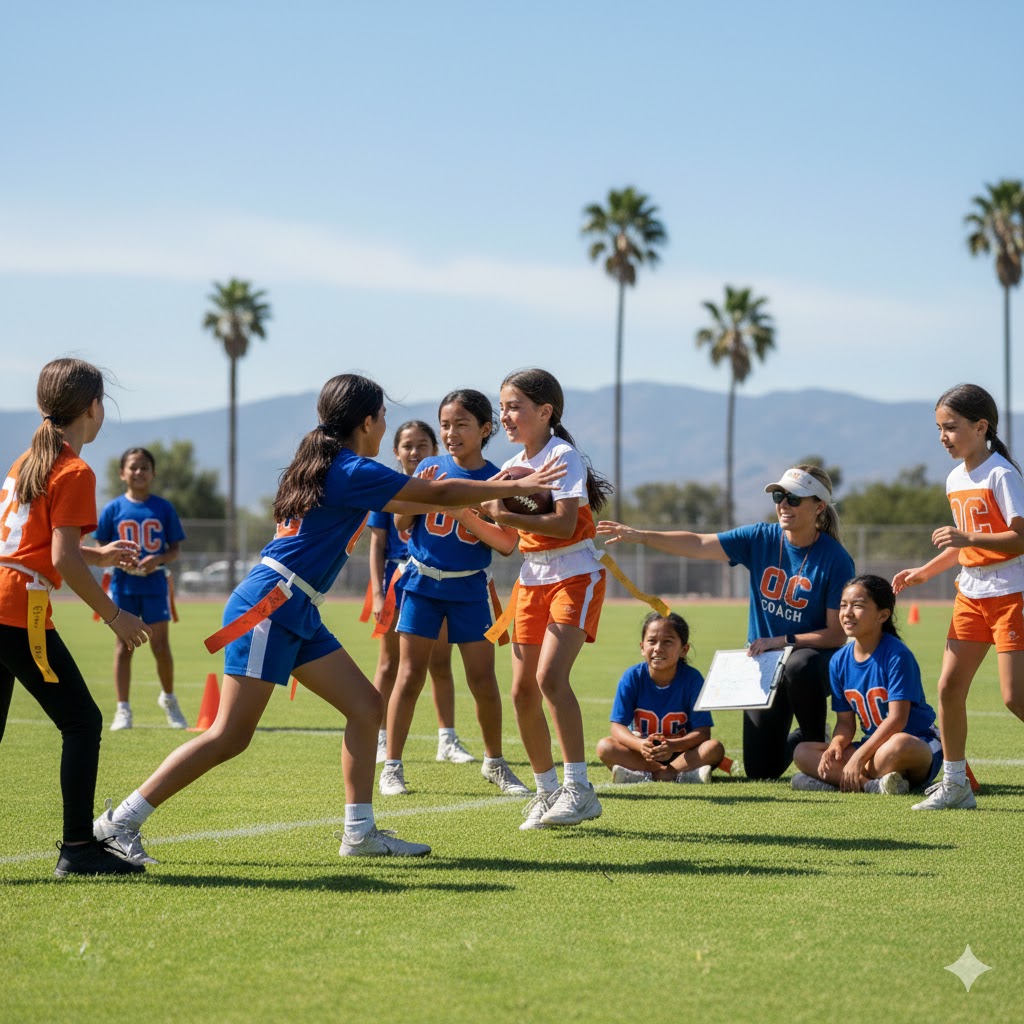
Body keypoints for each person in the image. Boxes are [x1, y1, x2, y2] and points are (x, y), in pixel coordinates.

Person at [93, 374, 564, 864]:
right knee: (229, 734)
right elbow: (437, 496)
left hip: (295, 606)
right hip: (271, 605)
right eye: (382, 416)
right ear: (366, 421)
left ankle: (359, 833)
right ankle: (118, 823)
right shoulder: (351, 468)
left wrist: (490, 490)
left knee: (365, 706)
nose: (386, 425)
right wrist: (511, 484)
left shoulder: (338, 466)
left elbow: (420, 499)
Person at [598, 464, 854, 780]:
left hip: (810, 664)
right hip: (763, 664)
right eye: (779, 496)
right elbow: (699, 543)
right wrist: (643, 537)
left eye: (794, 499)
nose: (784, 505)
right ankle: (807, 739)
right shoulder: (761, 538)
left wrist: (782, 641)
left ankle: (816, 756)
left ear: (819, 507)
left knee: (799, 664)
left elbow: (835, 635)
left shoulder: (836, 559)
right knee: (762, 770)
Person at [0, 358, 152, 877]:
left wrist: (99, 555)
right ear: (93, 408)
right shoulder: (73, 468)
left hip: (2, 599)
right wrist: (116, 617)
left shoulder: (28, 460)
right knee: (82, 722)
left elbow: (37, 543)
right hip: (19, 611)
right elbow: (58, 557)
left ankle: (79, 847)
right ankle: (77, 848)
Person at [480, 368, 612, 830]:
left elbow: (560, 524)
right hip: (532, 580)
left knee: (550, 678)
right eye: (502, 407)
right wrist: (466, 509)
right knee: (520, 691)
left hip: (575, 574)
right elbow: (503, 538)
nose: (505, 416)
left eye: (514, 406)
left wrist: (502, 506)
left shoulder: (562, 456)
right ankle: (547, 791)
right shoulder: (513, 466)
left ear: (545, 411)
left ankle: (579, 789)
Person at [381, 391, 530, 798]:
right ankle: (392, 766)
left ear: (485, 429)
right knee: (409, 675)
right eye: (445, 425)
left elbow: (505, 543)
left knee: (483, 679)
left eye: (461, 424)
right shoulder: (430, 466)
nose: (450, 433)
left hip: (469, 587)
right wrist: (419, 494)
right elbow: (402, 525)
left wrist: (465, 512)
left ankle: (495, 763)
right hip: (423, 584)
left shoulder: (500, 478)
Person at [894, 384, 1024, 810]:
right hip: (971, 594)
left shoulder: (1001, 473)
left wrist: (967, 536)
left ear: (981, 426)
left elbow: (1019, 538)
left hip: (1011, 594)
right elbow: (961, 546)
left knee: (1014, 697)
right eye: (939, 428)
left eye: (951, 427)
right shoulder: (955, 478)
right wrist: (923, 572)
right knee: (949, 687)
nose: (943, 436)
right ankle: (956, 786)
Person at [367, 420, 468, 766]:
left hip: (431, 580)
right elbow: (377, 543)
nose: (414, 452)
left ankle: (448, 739)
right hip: (396, 580)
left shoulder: (441, 485)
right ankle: (380, 738)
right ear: (396, 452)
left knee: (441, 662)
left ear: (434, 450)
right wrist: (378, 595)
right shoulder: (389, 488)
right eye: (407, 446)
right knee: (391, 664)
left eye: (422, 445)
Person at [791, 575, 942, 795]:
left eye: (858, 606)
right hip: (872, 748)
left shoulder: (897, 655)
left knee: (897, 746)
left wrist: (859, 757)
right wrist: (836, 745)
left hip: (916, 744)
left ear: (883, 615)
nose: (847, 613)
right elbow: (845, 723)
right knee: (802, 752)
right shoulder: (839, 660)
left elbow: (897, 720)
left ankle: (837, 781)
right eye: (843, 605)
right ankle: (872, 785)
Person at [94, 446, 188, 731]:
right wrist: (116, 559)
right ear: (122, 473)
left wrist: (157, 558)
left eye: (144, 467)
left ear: (153, 473)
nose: (138, 472)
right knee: (124, 647)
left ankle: (169, 699)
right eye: (133, 467)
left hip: (155, 585)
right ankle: (123, 709)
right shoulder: (113, 508)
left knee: (160, 646)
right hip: (124, 585)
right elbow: (100, 545)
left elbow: (174, 550)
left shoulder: (163, 507)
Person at [596, 611, 725, 784]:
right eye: (652, 641)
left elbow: (703, 733)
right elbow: (617, 727)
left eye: (667, 642)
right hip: (644, 754)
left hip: (681, 753)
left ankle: (649, 775)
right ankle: (675, 775)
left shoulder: (693, 679)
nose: (658, 648)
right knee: (605, 747)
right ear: (642, 647)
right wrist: (640, 744)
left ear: (684, 650)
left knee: (714, 748)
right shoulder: (632, 677)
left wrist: (673, 746)